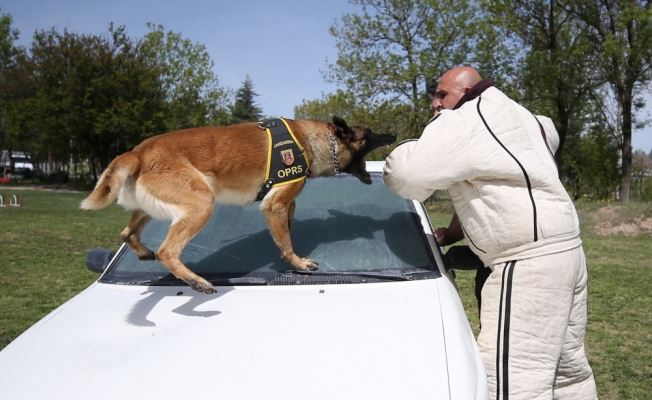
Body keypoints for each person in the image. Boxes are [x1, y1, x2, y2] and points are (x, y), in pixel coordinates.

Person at [383, 66, 597, 399]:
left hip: (526, 264)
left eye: (442, 95)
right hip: (568, 253)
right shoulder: (523, 117)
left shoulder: (465, 120)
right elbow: (539, 140)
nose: (435, 104)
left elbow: (405, 176)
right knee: (568, 372)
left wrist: (427, 135)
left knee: (512, 382)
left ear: (468, 92)